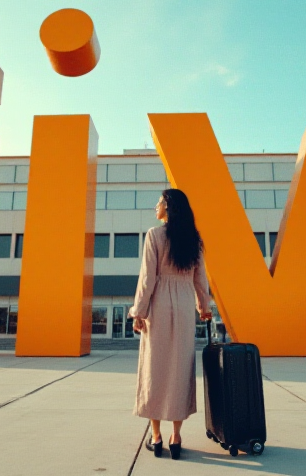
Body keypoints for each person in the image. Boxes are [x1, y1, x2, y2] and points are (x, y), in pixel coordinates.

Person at [129, 188, 212, 460]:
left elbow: (147, 279)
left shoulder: (154, 235)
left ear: (169, 206)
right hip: (185, 305)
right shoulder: (194, 240)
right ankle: (176, 437)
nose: (156, 206)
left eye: (160, 201)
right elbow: (201, 278)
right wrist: (204, 307)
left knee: (154, 368)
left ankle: (157, 437)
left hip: (159, 305)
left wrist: (138, 312)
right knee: (179, 367)